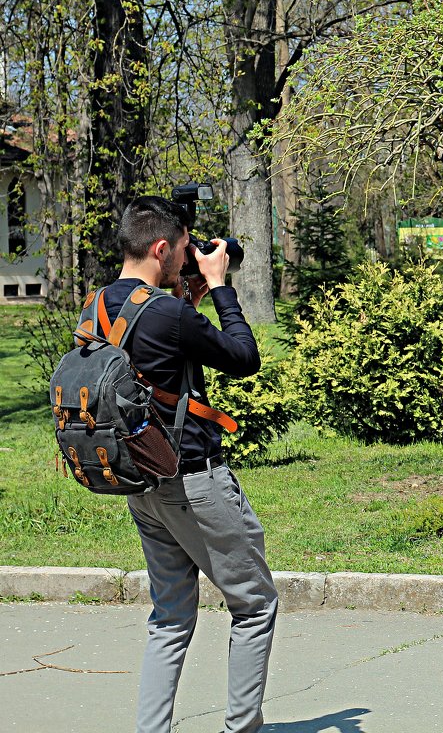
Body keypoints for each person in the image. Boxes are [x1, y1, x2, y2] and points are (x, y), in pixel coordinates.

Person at [105, 195, 277, 732]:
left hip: (140, 480)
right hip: (193, 481)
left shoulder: (101, 304)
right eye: (182, 249)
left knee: (171, 616)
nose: (189, 256)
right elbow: (243, 358)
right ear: (161, 247)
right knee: (254, 605)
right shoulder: (169, 312)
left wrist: (189, 296)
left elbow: (160, 359)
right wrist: (222, 288)